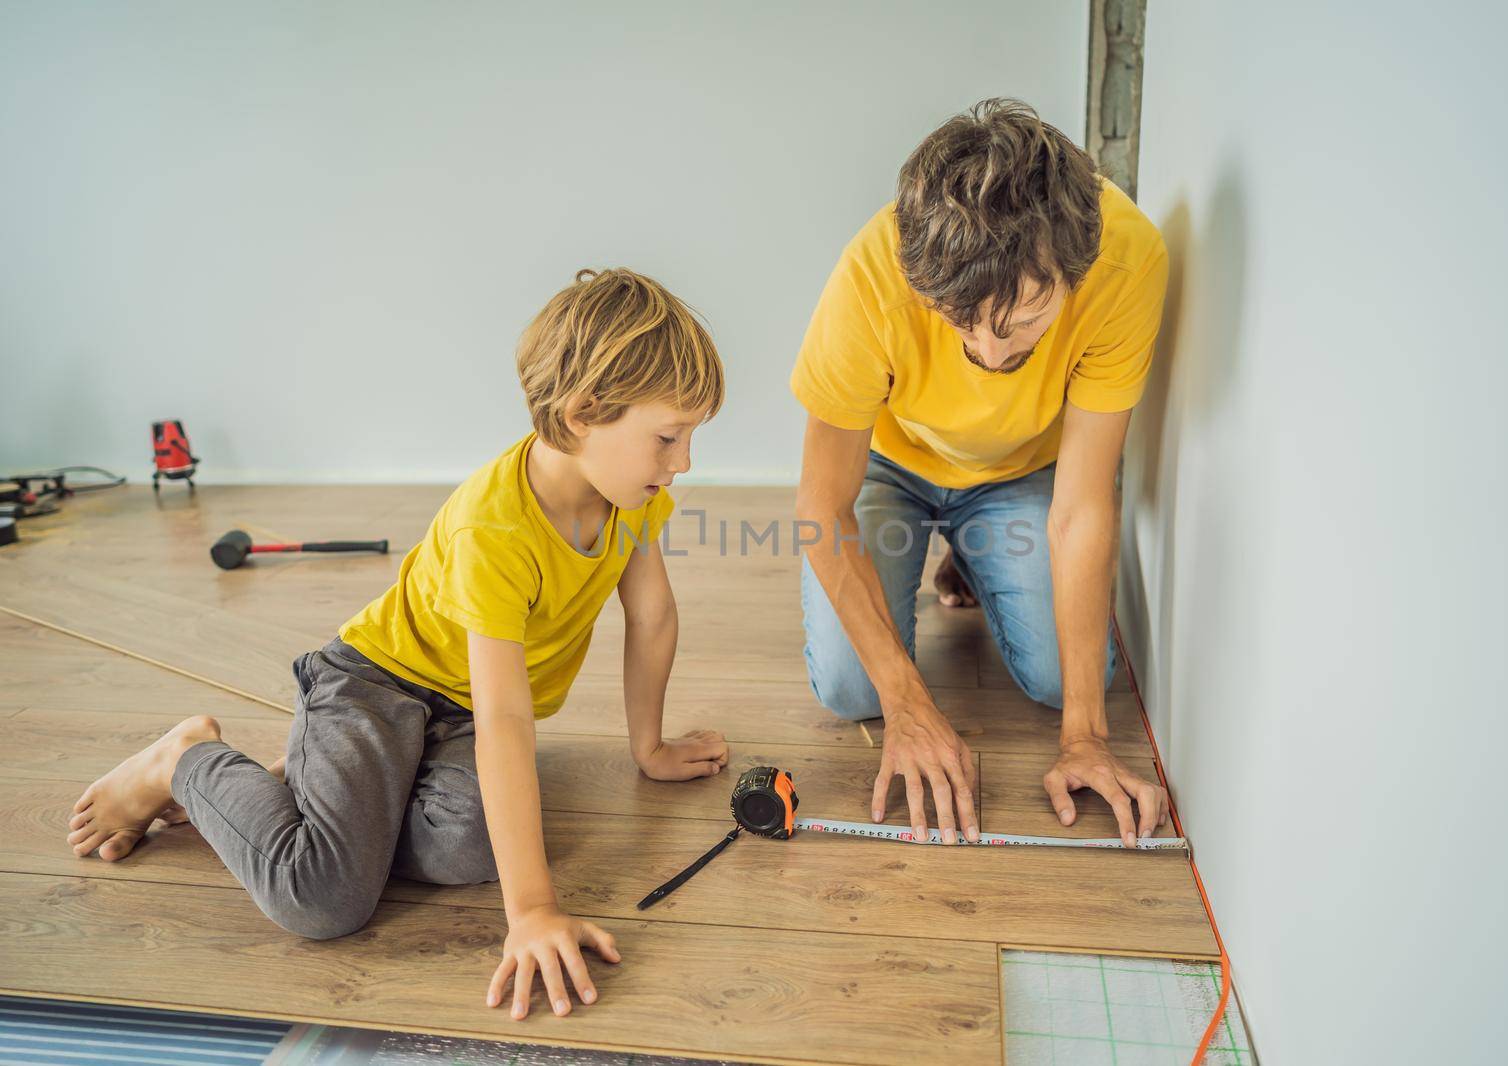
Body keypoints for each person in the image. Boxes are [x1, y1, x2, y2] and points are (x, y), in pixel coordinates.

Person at [67, 268, 729, 1022]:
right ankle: (186, 759)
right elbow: (511, 722)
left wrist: (649, 748)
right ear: (582, 415)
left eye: (690, 438)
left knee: (473, 851)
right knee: (323, 899)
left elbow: (653, 618)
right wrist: (534, 910)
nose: (683, 463)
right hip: (376, 686)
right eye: (668, 438)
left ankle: (329, 793)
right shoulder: (495, 527)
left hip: (461, 715)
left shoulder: (634, 499)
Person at [792, 99, 1172, 848]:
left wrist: (1085, 739)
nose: (992, 357)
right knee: (850, 689)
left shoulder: (1128, 261)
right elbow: (821, 506)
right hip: (887, 468)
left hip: (1022, 471)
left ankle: (971, 546)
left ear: (1077, 269)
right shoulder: (872, 275)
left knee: (1074, 684)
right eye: (960, 324)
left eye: (1022, 323)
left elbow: (1085, 506)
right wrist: (906, 702)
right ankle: (944, 550)